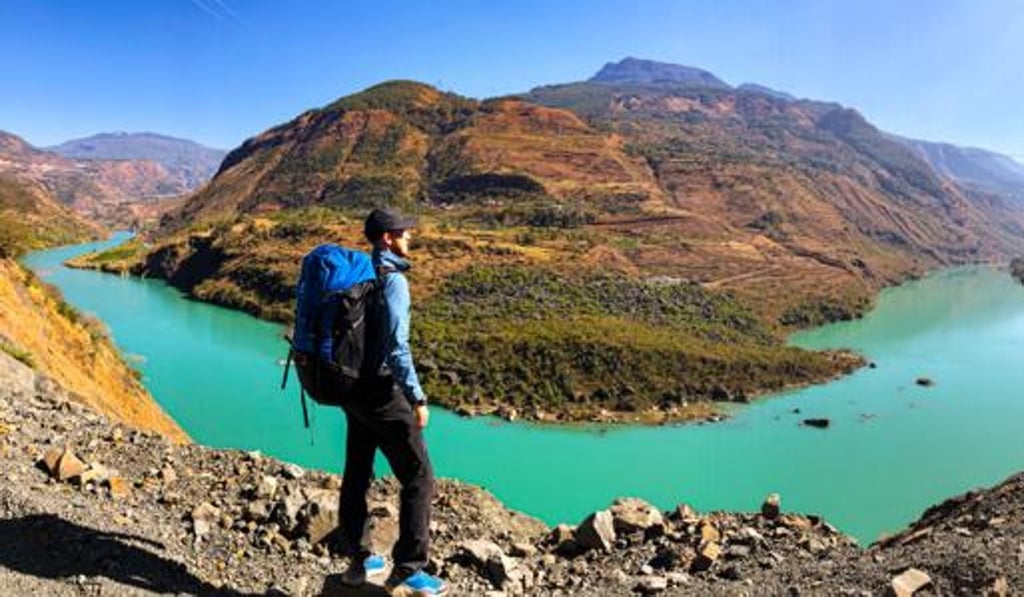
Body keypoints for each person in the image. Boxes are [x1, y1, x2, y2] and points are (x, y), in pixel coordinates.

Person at [337, 208, 446, 595]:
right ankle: (411, 567)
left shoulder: (360, 272)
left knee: (357, 471)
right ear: (387, 237)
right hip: (383, 392)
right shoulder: (393, 280)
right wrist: (416, 396)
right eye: (404, 231)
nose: (409, 237)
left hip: (353, 391)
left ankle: (358, 559)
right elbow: (398, 348)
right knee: (419, 475)